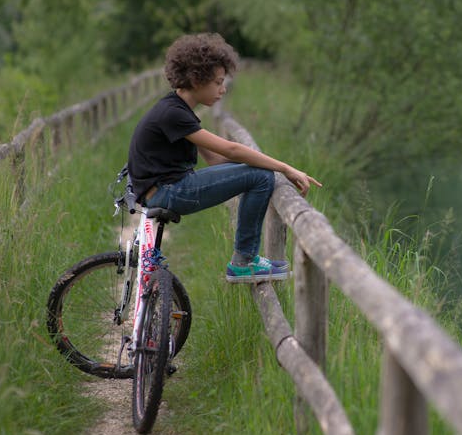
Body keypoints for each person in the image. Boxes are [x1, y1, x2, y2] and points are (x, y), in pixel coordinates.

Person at [127, 33, 321, 283]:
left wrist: (245, 170)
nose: (223, 89)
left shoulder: (176, 109)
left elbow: (215, 160)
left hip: (165, 188)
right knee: (261, 177)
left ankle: (246, 259)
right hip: (168, 192)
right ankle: (244, 262)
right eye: (218, 82)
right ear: (197, 79)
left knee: (256, 173)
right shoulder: (173, 114)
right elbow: (231, 150)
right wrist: (284, 168)